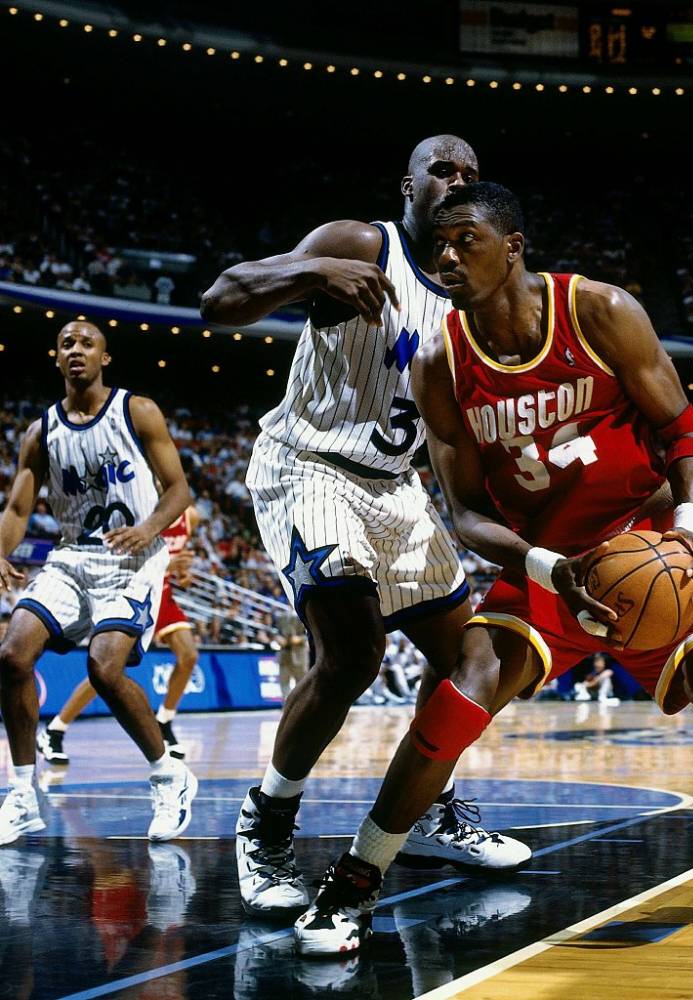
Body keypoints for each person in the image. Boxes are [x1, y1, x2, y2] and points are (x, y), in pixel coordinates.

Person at [286, 182, 693, 959]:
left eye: (466, 241)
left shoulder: (598, 311)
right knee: (458, 697)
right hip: (548, 565)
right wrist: (546, 566)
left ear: (513, 246)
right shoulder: (440, 362)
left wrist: (690, 525)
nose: (447, 257)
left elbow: (684, 430)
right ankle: (355, 880)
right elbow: (467, 513)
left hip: (648, 541)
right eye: (439, 245)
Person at [199, 135, 529, 918]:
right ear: (408, 186)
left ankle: (431, 810)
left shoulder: (474, 296)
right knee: (352, 654)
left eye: (470, 174)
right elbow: (218, 300)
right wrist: (312, 272)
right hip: (310, 465)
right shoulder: (357, 243)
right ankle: (265, 823)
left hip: (396, 486)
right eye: (442, 169)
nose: (457, 181)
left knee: (473, 661)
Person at [0, 321, 198, 844]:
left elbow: (179, 489)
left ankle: (168, 776)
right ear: (56, 358)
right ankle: (22, 795)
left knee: (104, 668)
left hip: (132, 560)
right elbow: (18, 509)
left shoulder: (138, 411)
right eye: (67, 343)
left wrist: (148, 529)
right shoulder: (41, 431)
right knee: (12, 656)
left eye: (87, 343)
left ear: (104, 358)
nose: (76, 350)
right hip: (71, 557)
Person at [36, 506, 202, 764]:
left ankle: (164, 721)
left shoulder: (189, 516)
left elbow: (176, 564)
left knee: (189, 655)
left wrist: (183, 574)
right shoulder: (141, 503)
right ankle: (54, 729)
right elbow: (120, 554)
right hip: (132, 587)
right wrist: (168, 564)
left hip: (162, 593)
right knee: (108, 670)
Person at [274, 606, 308, 700]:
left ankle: (301, 704)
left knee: (301, 683)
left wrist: (299, 639)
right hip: (284, 655)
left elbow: (309, 633)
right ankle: (287, 704)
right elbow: (275, 632)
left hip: (299, 655)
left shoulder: (304, 614)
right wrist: (278, 639)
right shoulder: (281, 616)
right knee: (284, 683)